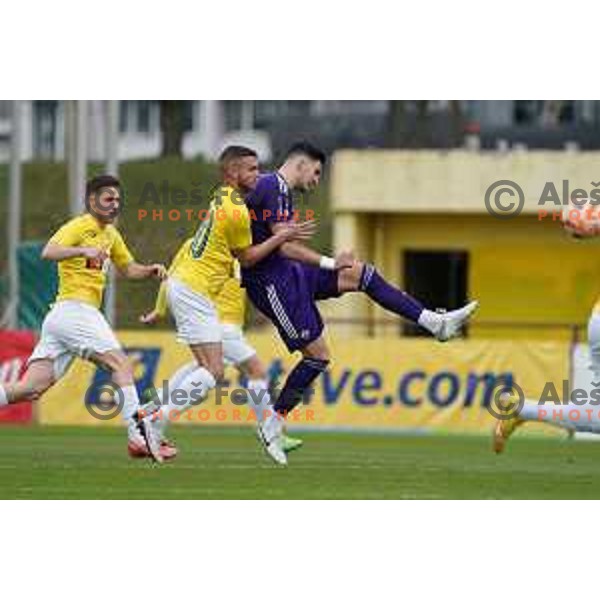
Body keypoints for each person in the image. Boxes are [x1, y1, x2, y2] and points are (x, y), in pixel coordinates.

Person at [241, 142, 479, 465]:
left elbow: (286, 245)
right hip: (273, 283)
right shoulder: (273, 186)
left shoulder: (278, 189)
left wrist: (331, 263)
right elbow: (284, 248)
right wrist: (328, 262)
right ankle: (272, 424)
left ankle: (434, 322)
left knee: (360, 273)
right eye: (317, 172)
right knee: (318, 356)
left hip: (290, 274)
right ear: (301, 163)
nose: (316, 180)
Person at [138, 146, 314, 462]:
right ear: (232, 173)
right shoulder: (236, 212)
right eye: (251, 170)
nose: (257, 175)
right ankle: (156, 419)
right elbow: (248, 257)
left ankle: (152, 416)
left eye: (258, 169)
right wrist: (281, 236)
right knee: (213, 370)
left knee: (203, 367)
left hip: (190, 289)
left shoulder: (223, 197)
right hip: (195, 291)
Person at [0, 174, 167, 458]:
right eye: (108, 199)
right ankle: (137, 437)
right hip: (75, 310)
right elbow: (48, 251)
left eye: (117, 200)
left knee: (31, 388)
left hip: (63, 317)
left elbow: (127, 269)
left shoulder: (111, 234)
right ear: (92, 201)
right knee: (121, 364)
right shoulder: (80, 226)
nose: (115, 205)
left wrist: (149, 270)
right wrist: (82, 249)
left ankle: (138, 436)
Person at [138, 241, 304, 456]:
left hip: (218, 322)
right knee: (256, 371)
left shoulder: (203, 244)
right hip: (221, 324)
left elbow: (171, 275)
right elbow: (173, 275)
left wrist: (159, 310)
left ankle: (149, 409)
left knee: (202, 369)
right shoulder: (233, 247)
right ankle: (271, 433)